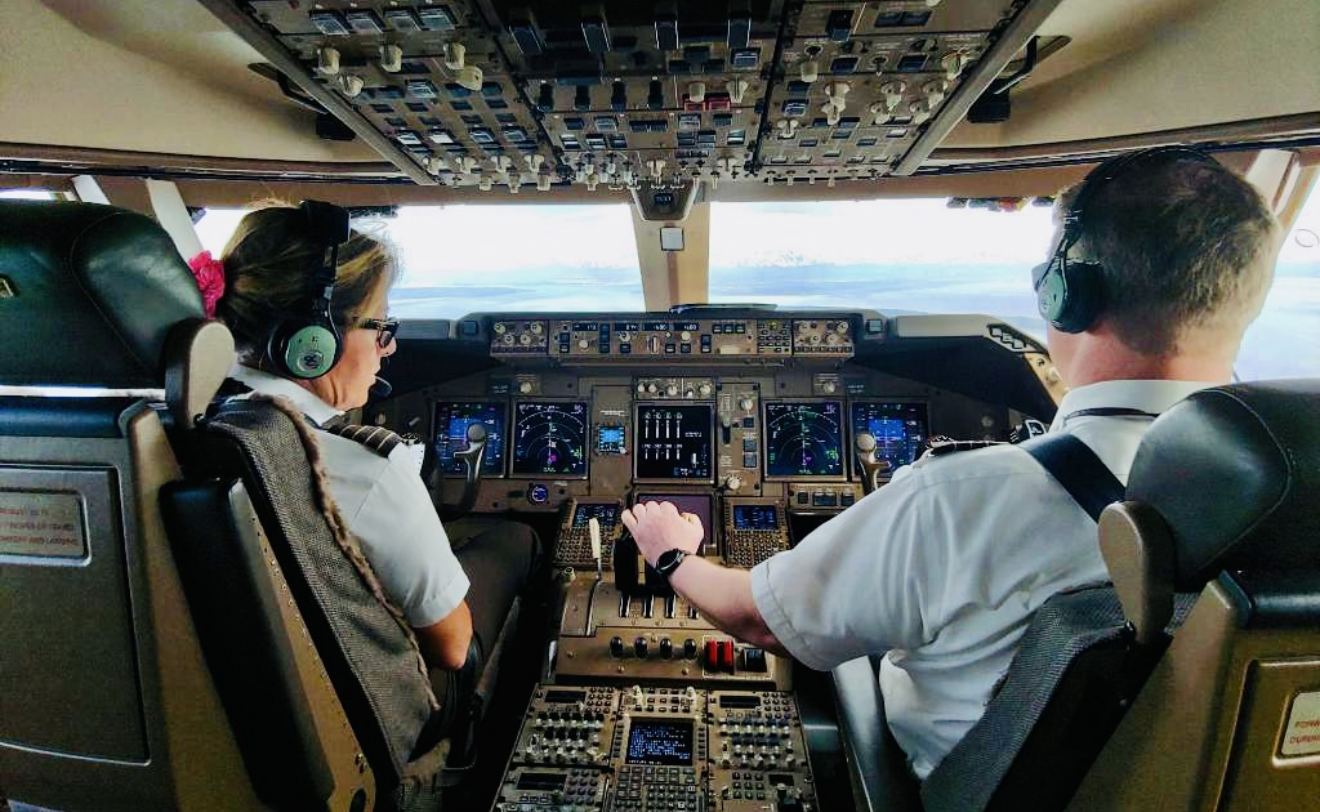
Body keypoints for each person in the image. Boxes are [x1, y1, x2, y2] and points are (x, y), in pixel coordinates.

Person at [622, 147, 1281, 780]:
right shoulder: (1293, 498)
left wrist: (673, 553)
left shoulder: (968, 494)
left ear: (1065, 293)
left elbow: (757, 617)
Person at [194, 200, 539, 724]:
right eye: (381, 326)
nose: (391, 347)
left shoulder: (181, 427)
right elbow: (450, 647)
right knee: (518, 539)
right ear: (314, 341)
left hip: (232, 697)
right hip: (364, 709)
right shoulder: (362, 467)